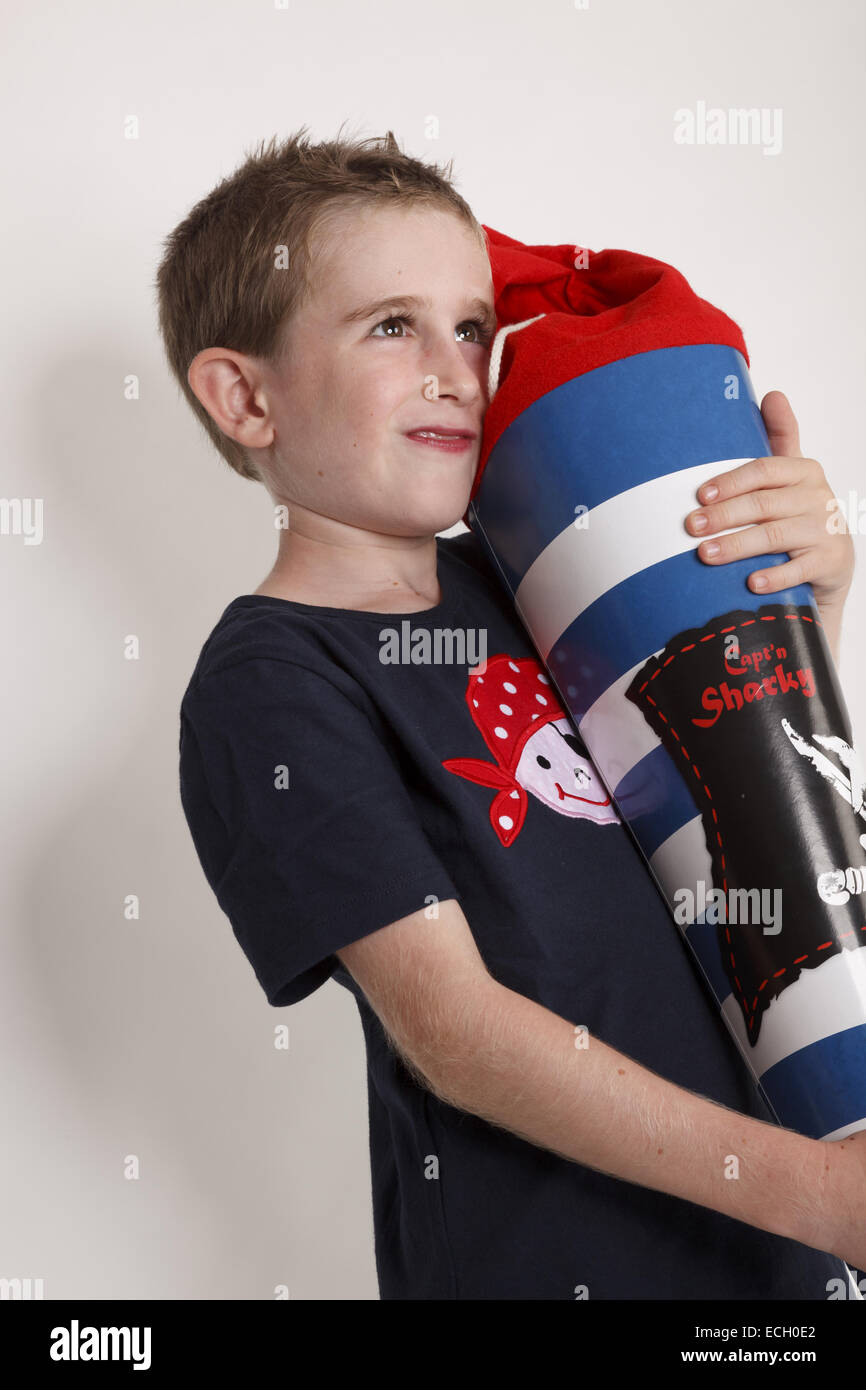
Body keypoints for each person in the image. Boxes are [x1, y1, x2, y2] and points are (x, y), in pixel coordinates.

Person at [157, 125, 865, 1300]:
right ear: (245, 395)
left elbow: (722, 806)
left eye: (473, 327)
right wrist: (820, 1192)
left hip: (776, 1263)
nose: (456, 368)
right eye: (392, 325)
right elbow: (459, 1037)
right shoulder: (269, 682)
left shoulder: (539, 579)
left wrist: (800, 604)